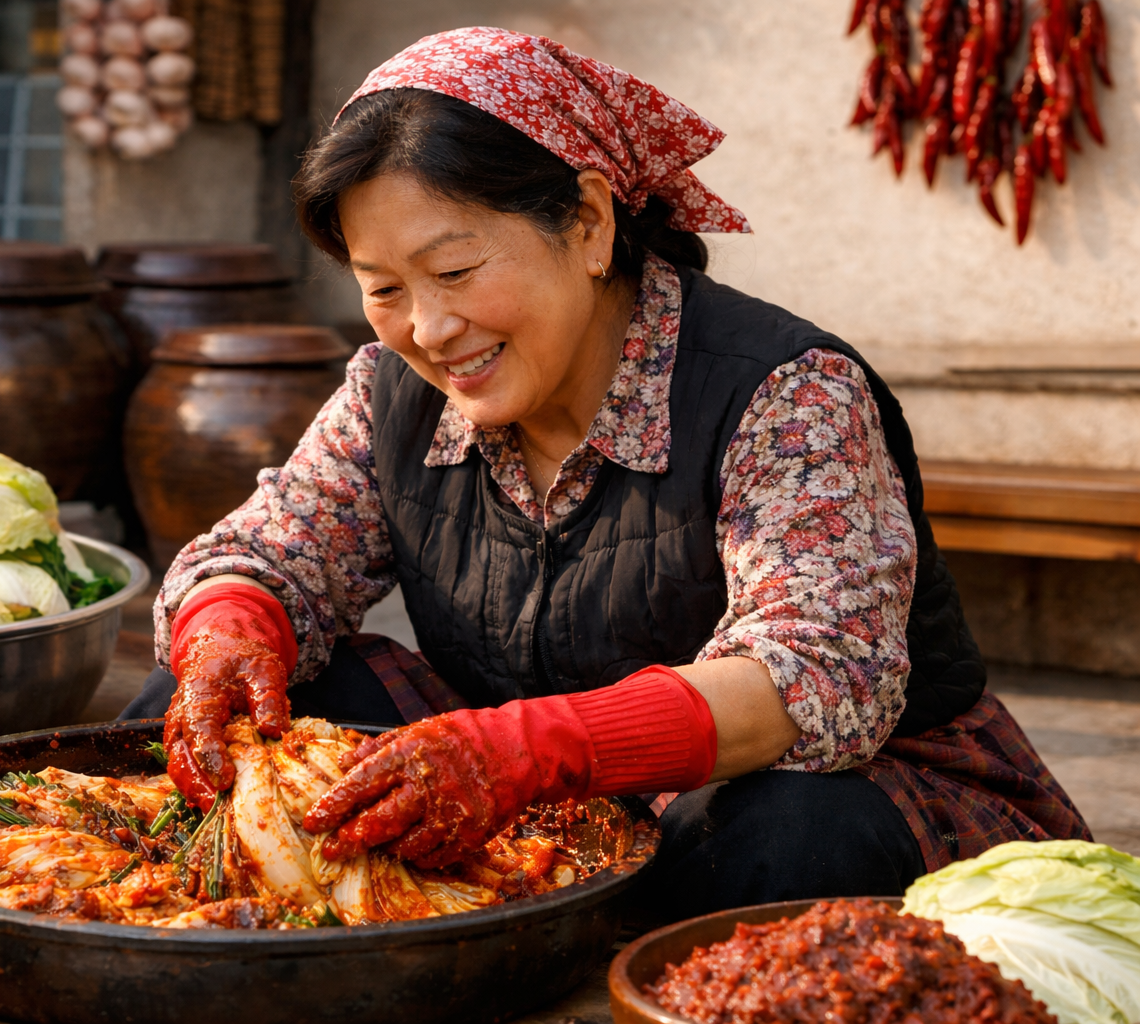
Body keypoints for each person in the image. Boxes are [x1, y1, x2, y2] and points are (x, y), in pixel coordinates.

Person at [122, 27, 1089, 920]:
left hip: (828, 791)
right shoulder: (393, 389)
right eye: (384, 289)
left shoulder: (785, 391)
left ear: (587, 224)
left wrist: (521, 751)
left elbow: (817, 673)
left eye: (454, 272)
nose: (427, 328)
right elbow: (272, 551)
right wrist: (229, 639)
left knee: (782, 842)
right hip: (522, 787)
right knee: (208, 713)